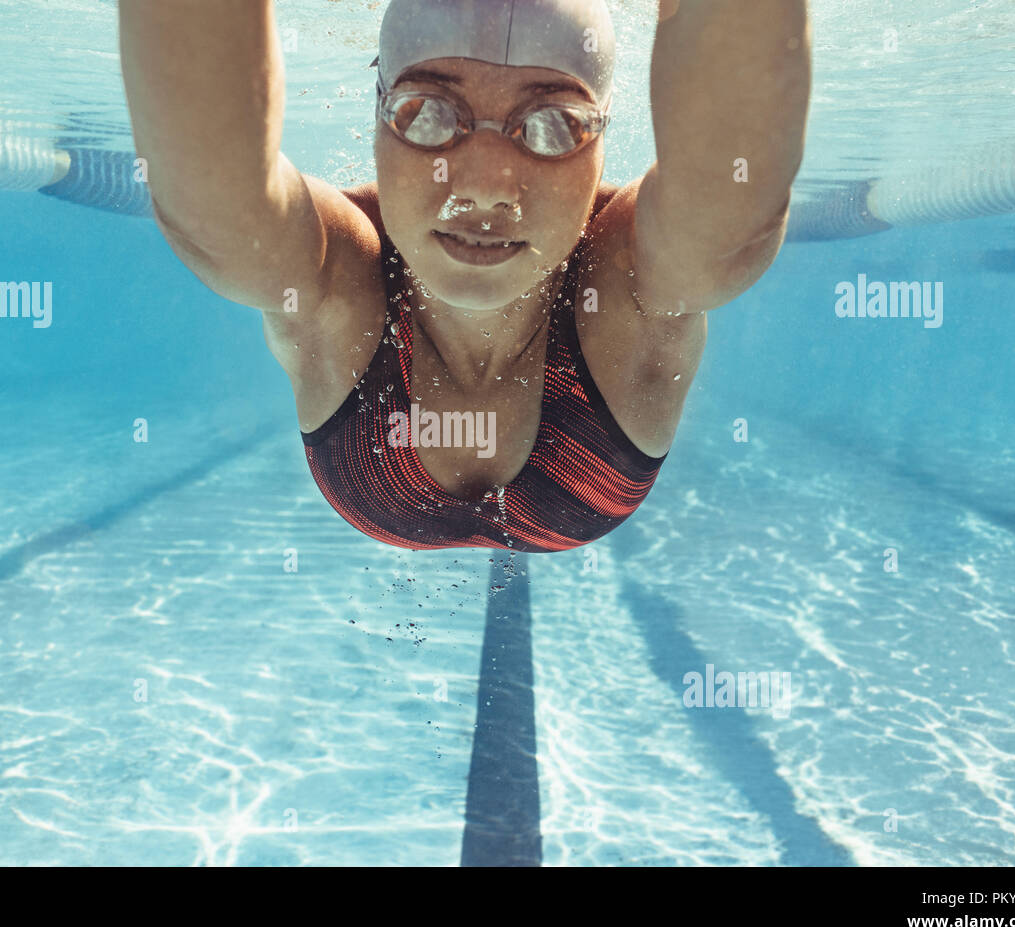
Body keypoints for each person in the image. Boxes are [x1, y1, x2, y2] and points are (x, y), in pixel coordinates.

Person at [119, 0, 810, 552]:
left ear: (604, 145)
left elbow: (734, 218)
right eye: (427, 115)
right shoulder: (342, 268)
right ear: (377, 115)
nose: (484, 189)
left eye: (553, 126)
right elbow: (211, 207)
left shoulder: (623, 273)